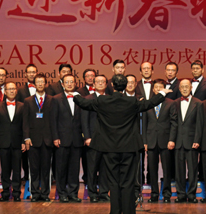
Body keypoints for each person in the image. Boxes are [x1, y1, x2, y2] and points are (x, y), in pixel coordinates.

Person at [73, 74, 170, 214]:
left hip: (109, 148)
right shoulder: (132, 101)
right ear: (125, 86)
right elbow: (149, 104)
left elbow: (83, 103)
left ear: (112, 85)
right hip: (129, 148)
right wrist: (161, 93)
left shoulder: (102, 100)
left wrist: (75, 94)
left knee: (113, 182)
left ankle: (115, 212)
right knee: (128, 182)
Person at [52, 74, 84, 203]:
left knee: (74, 168)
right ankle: (62, 193)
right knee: (61, 168)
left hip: (76, 139)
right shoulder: (56, 98)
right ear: (63, 84)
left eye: (72, 81)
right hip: (62, 139)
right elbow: (53, 120)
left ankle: (73, 193)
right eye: (67, 82)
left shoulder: (80, 98)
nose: (69, 84)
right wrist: (55, 137)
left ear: (75, 83)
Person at [142, 79, 175, 203]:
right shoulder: (148, 103)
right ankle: (154, 194)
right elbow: (144, 124)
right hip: (151, 141)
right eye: (156, 87)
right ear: (153, 89)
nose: (158, 89)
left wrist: (172, 139)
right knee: (152, 169)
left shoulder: (170, 103)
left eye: (161, 87)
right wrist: (144, 141)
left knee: (167, 169)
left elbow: (174, 123)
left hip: (165, 140)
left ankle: (166, 194)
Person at [0, 82, 25, 202]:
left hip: (17, 143)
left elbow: (24, 126)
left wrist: (23, 141)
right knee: (5, 170)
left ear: (16, 91)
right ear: (5, 92)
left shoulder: (22, 106)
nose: (11, 91)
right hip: (3, 142)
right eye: (9, 89)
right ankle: (5, 193)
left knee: (17, 170)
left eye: (13, 89)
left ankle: (16, 193)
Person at [23, 74, 54, 202]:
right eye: (38, 82)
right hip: (33, 140)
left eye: (42, 82)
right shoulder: (28, 100)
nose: (40, 84)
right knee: (34, 169)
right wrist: (26, 138)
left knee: (46, 169)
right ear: (34, 84)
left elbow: (54, 120)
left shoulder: (52, 100)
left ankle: (45, 193)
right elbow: (25, 122)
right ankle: (35, 193)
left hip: (47, 139)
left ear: (46, 84)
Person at [80, 75, 110, 202]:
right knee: (92, 168)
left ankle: (103, 193)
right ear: (94, 83)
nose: (100, 83)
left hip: (107, 139)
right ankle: (92, 193)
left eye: (103, 81)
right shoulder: (87, 99)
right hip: (92, 139)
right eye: (98, 81)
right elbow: (84, 120)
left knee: (105, 168)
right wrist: (87, 137)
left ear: (106, 84)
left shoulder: (110, 99)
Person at [15, 64, 38, 182]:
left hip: (39, 126)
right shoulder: (20, 90)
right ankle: (27, 177)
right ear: (25, 74)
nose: (31, 74)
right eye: (29, 72)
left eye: (34, 72)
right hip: (25, 125)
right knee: (25, 153)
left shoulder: (45, 89)